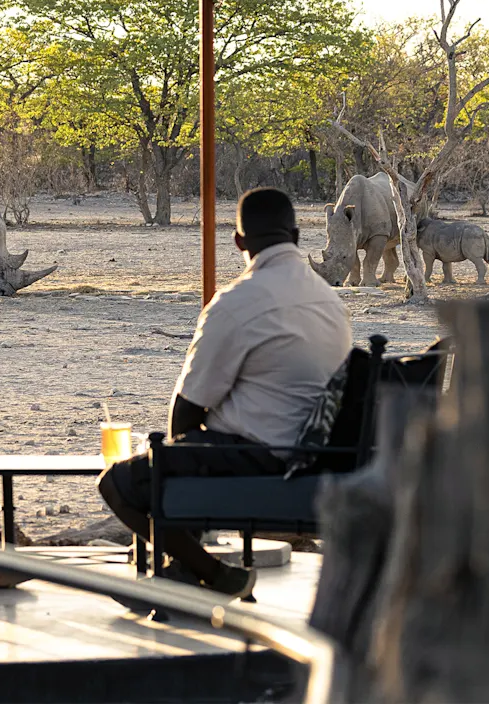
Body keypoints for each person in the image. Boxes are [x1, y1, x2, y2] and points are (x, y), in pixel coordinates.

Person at [98, 188, 352, 598]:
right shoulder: (329, 300)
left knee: (118, 483)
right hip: (317, 457)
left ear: (239, 242)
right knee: (188, 455)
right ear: (298, 235)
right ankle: (184, 568)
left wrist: (177, 459)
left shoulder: (237, 302)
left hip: (258, 459)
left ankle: (212, 573)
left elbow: (185, 411)